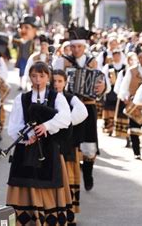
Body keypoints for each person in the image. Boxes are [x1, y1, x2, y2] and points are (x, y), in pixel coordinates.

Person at [6, 62, 73, 225]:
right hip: (26, 149)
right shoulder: (21, 98)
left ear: (48, 77)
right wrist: (29, 134)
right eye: (34, 76)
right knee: (26, 184)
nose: (38, 80)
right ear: (30, 77)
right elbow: (13, 126)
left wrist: (46, 126)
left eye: (42, 76)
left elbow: (65, 119)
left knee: (47, 185)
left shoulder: (57, 97)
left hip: (49, 150)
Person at [53, 26, 107, 191]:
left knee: (89, 144)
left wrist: (102, 86)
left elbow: (103, 81)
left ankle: (88, 172)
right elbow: (53, 79)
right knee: (70, 142)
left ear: (85, 47)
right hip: (68, 106)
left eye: (79, 46)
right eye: (73, 46)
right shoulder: (62, 61)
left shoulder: (93, 62)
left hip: (89, 106)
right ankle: (70, 176)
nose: (76, 50)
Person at [52, 69, 88, 221]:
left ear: (65, 82)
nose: (56, 84)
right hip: (51, 144)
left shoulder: (70, 97)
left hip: (67, 144)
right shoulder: (48, 97)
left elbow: (83, 111)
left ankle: (68, 213)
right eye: (54, 81)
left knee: (68, 177)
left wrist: (65, 123)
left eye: (60, 81)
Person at [118, 50, 142, 159]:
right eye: (141, 57)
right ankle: (136, 152)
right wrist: (125, 97)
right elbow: (125, 85)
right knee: (134, 129)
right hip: (134, 103)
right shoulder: (132, 71)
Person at [14, 15, 39, 90]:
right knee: (21, 72)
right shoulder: (21, 41)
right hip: (22, 59)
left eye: (27, 27)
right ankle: (21, 85)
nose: (23, 30)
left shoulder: (34, 42)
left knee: (30, 72)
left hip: (29, 59)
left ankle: (28, 85)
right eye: (22, 28)